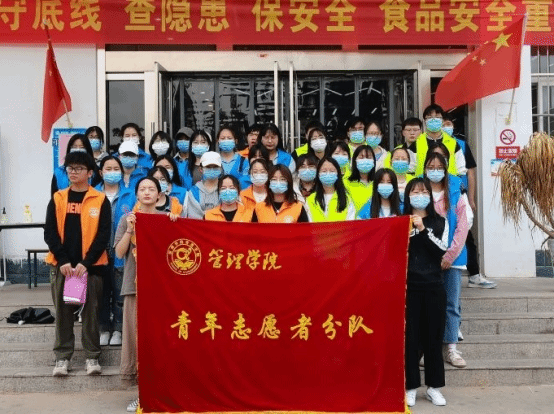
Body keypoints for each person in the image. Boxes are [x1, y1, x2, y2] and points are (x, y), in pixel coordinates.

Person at [44, 151, 111, 377]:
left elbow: (103, 235)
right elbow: (50, 232)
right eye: (70, 168)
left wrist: (86, 262)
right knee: (63, 314)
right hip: (62, 267)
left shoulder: (100, 199)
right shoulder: (58, 198)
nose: (73, 172)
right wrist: (63, 260)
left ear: (90, 173)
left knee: (91, 314)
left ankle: (92, 357)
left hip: (90, 268)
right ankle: (62, 358)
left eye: (79, 168)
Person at [114, 177, 178, 412]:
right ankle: (141, 395)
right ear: (137, 194)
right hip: (134, 287)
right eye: (142, 189)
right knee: (137, 342)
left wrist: (175, 224)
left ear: (160, 195)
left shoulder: (166, 219)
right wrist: (130, 229)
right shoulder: (127, 219)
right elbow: (119, 253)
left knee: (160, 343)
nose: (147, 192)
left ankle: (163, 393)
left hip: (161, 290)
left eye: (152, 189)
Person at [403, 177, 449, 408]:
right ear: (407, 196)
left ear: (430, 196)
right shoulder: (401, 221)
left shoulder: (439, 221)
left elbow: (441, 250)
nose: (419, 196)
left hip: (434, 287)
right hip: (409, 288)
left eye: (423, 192)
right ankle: (411, 387)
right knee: (411, 340)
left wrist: (422, 229)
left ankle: (434, 387)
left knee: (433, 338)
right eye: (415, 192)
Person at [424, 152, 469, 369]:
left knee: (451, 304)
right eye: (431, 167)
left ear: (446, 169)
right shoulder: (419, 191)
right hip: (426, 259)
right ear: (424, 169)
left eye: (439, 167)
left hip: (453, 259)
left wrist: (450, 255)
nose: (435, 171)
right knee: (426, 305)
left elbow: (463, 225)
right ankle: (427, 348)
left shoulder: (455, 191)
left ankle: (451, 348)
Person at [441, 117, 496, 289]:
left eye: (448, 124)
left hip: (458, 194)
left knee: (465, 235)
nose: (445, 127)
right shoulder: (430, 144)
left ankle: (474, 275)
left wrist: (471, 198)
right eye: (442, 124)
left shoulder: (461, 145)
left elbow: (470, 173)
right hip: (439, 195)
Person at [96, 156, 126, 347]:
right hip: (98, 252)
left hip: (121, 252)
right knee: (101, 293)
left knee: (119, 294)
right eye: (108, 169)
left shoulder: (130, 194)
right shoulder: (92, 194)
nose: (112, 172)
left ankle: (118, 329)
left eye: (116, 169)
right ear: (101, 172)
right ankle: (103, 328)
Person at [409, 105, 466, 177]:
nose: (434, 120)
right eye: (430, 117)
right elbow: (410, 170)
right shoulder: (416, 143)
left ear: (442, 120)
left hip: (449, 183)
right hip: (423, 183)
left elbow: (461, 170)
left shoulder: (453, 143)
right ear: (425, 121)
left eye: (437, 117)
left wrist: (454, 182)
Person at [305, 157, 356, 222]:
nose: (328, 174)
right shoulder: (311, 200)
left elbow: (351, 223)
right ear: (318, 174)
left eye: (332, 171)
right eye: (324, 171)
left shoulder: (347, 200)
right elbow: (309, 223)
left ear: (338, 174)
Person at [182, 151, 221, 219]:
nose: (212, 170)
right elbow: (194, 217)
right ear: (200, 169)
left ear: (221, 169)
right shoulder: (193, 191)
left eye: (215, 167)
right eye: (208, 167)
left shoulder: (225, 188)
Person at [344, 145, 375, 212]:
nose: (365, 160)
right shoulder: (346, 183)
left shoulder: (378, 182)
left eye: (368, 157)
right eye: (361, 157)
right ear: (355, 160)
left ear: (374, 161)